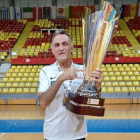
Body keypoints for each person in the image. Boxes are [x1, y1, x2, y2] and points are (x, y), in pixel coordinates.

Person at [38, 30, 102, 140]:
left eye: (65, 44)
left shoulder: (84, 71)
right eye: (57, 45)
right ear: (53, 50)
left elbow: (94, 105)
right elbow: (43, 103)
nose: (61, 48)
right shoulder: (45, 71)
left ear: (71, 48)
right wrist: (61, 79)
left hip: (78, 134)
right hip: (53, 135)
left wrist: (97, 89)